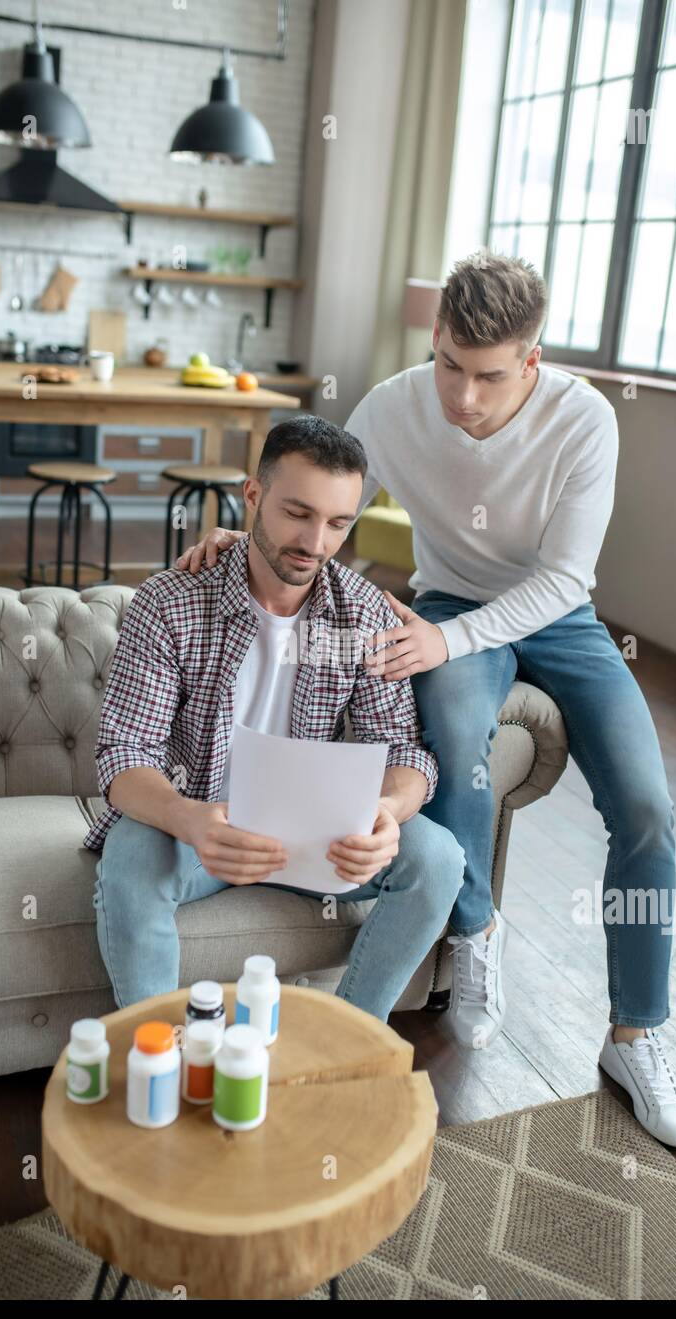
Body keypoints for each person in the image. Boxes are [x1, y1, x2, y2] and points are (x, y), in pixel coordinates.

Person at [174, 250, 676, 1149]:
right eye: (450, 363)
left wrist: (444, 638)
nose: (461, 395)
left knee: (648, 808)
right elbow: (322, 501)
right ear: (435, 340)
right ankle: (476, 928)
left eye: (489, 376)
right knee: (452, 736)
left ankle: (635, 1037)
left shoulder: (584, 421)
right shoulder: (394, 405)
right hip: (453, 597)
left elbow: (565, 575)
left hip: (560, 615)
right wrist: (248, 530)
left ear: (532, 362)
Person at [85, 414, 465, 1024]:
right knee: (131, 851)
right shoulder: (173, 600)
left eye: (338, 523)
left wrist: (388, 813)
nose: (315, 542)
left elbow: (405, 753)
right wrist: (190, 820)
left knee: (439, 856)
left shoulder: (361, 613)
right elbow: (123, 753)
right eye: (298, 513)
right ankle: (162, 1054)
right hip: (201, 830)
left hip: (322, 838)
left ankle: (347, 1041)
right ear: (253, 496)